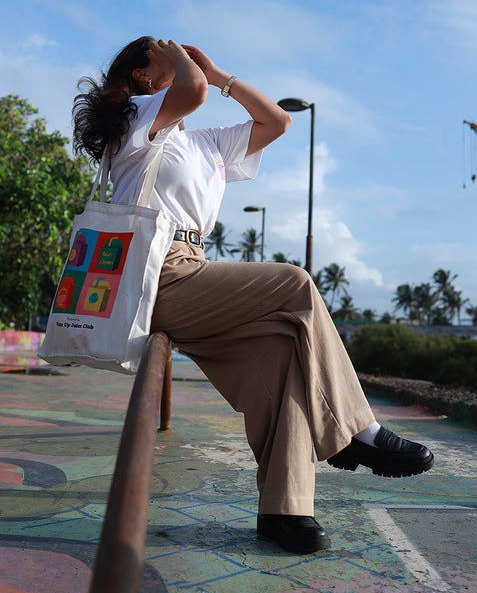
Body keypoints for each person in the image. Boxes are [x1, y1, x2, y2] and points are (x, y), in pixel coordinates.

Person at [73, 36, 434, 555]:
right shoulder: (135, 119)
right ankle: (360, 430)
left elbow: (277, 122)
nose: (180, 54)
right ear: (141, 75)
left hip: (196, 268)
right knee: (295, 282)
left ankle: (285, 509)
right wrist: (187, 67)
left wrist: (221, 75)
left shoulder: (203, 142)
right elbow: (192, 91)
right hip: (155, 272)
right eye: (162, 50)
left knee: (281, 359)